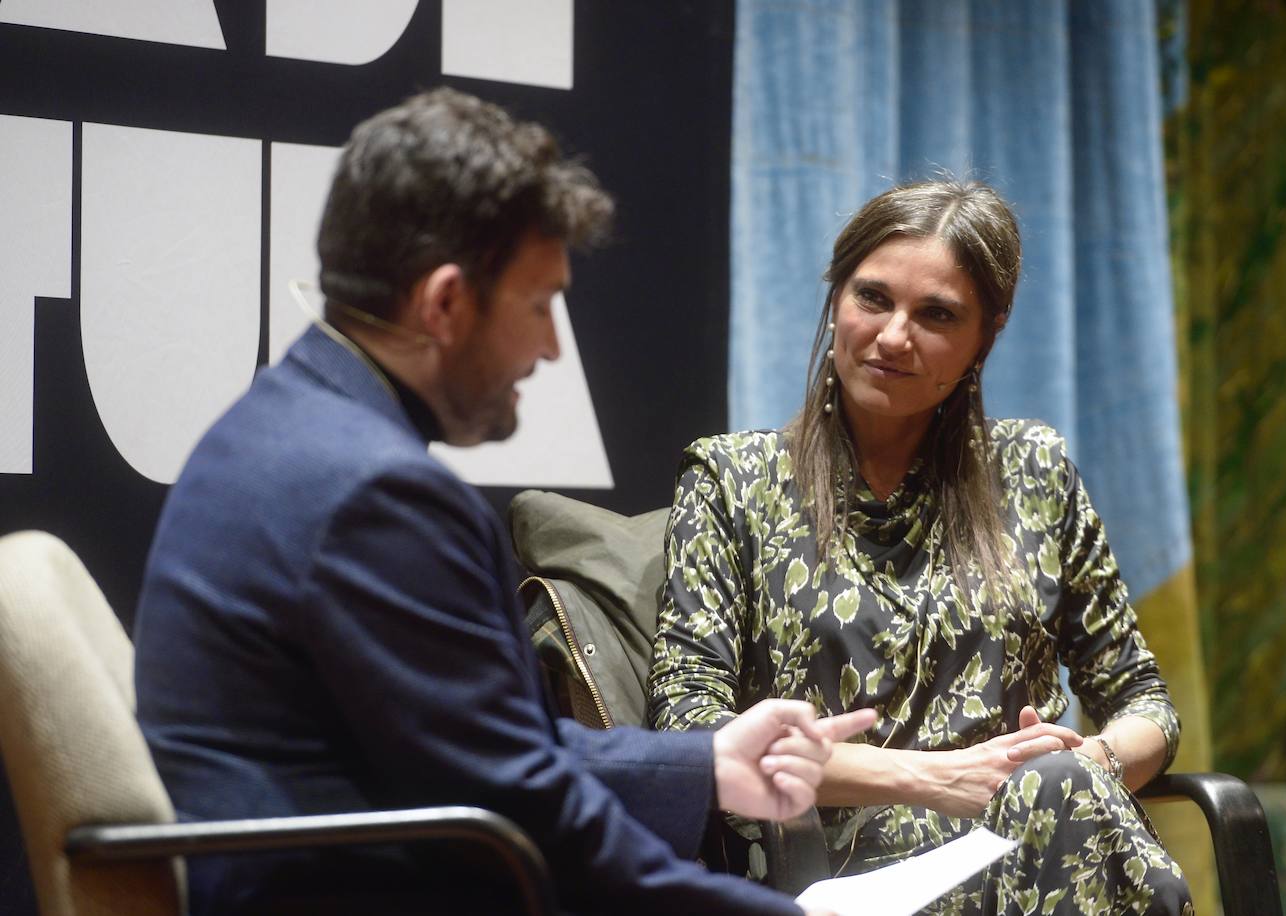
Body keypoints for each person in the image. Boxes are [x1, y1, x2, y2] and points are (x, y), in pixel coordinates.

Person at [133, 87, 872, 915]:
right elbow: (526, 816)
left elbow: (476, 754)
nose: (552, 347)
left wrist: (703, 765)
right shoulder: (376, 495)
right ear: (445, 303)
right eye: (539, 303)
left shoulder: (279, 427)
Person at [647, 180, 1194, 914]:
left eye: (936, 314)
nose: (895, 335)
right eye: (873, 298)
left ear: (985, 338)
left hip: (1040, 843)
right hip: (832, 874)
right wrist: (937, 778)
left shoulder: (1036, 470)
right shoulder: (730, 481)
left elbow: (1143, 702)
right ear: (836, 298)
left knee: (1060, 790)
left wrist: (1084, 759)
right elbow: (694, 736)